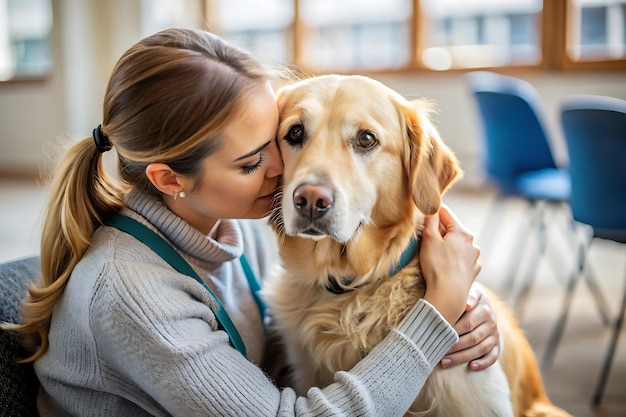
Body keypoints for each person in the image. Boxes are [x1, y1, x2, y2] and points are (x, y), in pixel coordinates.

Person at [4, 28, 497, 416]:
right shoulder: (132, 294)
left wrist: (470, 315)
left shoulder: (237, 227)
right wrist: (435, 315)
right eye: (251, 162)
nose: (290, 175)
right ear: (171, 179)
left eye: (277, 141)